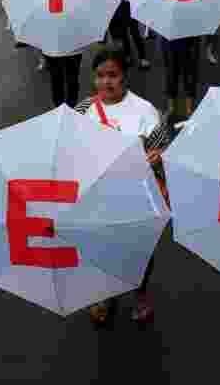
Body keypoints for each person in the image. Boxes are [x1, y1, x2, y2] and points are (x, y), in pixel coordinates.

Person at [75, 49, 170, 324]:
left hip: (137, 195)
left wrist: (157, 156)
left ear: (125, 77)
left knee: (140, 251)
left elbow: (162, 148)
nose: (107, 82)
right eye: (101, 76)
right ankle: (105, 294)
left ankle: (140, 295)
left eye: (113, 75)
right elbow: (70, 147)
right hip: (98, 195)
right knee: (100, 247)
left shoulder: (144, 110)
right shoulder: (84, 109)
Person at [107, 0, 150, 69]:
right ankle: (128, 55)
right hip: (119, 7)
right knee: (123, 33)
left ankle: (143, 58)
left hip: (130, 5)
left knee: (135, 32)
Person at [161, 33, 200, 118]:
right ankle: (172, 108)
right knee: (172, 74)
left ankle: (188, 109)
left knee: (188, 74)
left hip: (188, 41)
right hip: (171, 42)